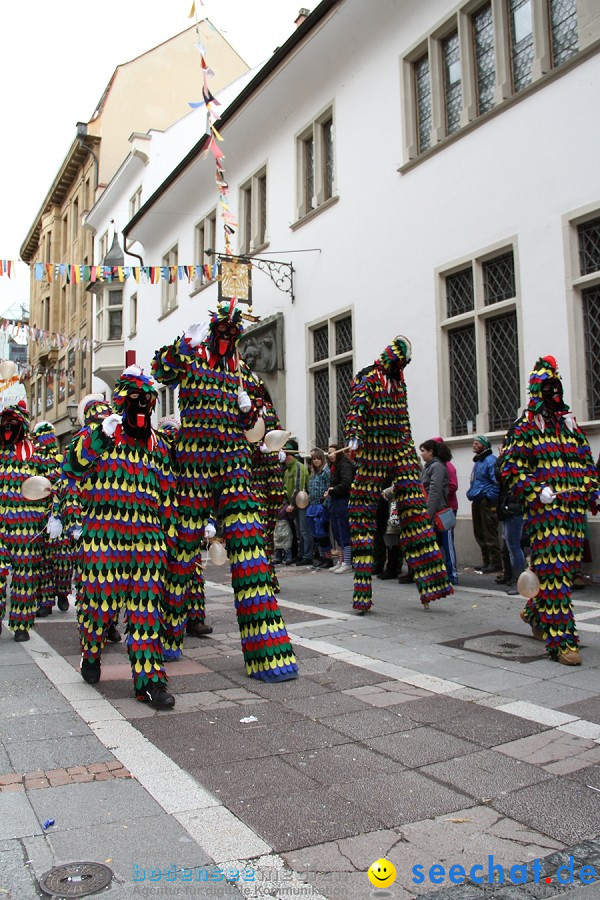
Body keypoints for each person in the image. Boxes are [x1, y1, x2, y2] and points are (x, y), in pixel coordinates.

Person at [152, 303, 297, 682]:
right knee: (183, 550)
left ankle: (268, 651)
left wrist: (250, 411)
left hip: (234, 464)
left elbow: (254, 427)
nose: (227, 340)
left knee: (250, 549)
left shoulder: (241, 372)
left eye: (234, 335)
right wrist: (183, 345)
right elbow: (161, 372)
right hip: (194, 464)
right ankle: (166, 633)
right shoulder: (192, 358)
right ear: (213, 333)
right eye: (223, 334)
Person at [62, 366, 178, 708]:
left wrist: (170, 541)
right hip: (104, 537)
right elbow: (71, 467)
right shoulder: (102, 436)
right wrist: (98, 436)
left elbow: (167, 495)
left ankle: (149, 682)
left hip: (147, 541)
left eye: (148, 401)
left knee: (146, 613)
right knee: (98, 606)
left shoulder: (159, 447)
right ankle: (91, 653)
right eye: (136, 401)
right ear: (122, 403)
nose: (142, 407)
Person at [501, 355, 599, 666]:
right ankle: (562, 641)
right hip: (546, 513)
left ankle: (534, 611)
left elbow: (586, 462)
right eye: (547, 389)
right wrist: (535, 490)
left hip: (573, 512)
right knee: (555, 571)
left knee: (561, 571)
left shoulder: (571, 427)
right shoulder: (525, 427)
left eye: (555, 388)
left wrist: (591, 488)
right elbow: (511, 466)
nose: (553, 395)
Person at [345, 335, 451, 613]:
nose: (401, 367)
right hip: (372, 453)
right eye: (399, 362)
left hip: (399, 450)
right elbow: (357, 410)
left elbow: (403, 420)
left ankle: (431, 583)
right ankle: (362, 591)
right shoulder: (368, 379)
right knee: (361, 513)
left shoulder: (399, 385)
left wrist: (408, 451)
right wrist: (354, 437)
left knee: (415, 510)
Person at [0, 401, 48, 642]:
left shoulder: (36, 456)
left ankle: (21, 624)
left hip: (27, 527)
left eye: (13, 423)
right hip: (0, 524)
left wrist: (52, 516)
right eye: (4, 423)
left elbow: (52, 487)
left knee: (25, 575)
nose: (8, 427)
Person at [495, 435, 526, 596]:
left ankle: (519, 580)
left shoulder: (515, 460)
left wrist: (501, 459)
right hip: (509, 506)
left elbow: (501, 475)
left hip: (514, 507)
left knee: (514, 546)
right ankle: (516, 578)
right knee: (511, 545)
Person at [466, 435, 501, 574]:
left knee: (489, 532)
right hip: (477, 500)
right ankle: (486, 561)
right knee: (479, 532)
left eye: (477, 443)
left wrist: (489, 497)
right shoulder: (478, 462)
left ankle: (495, 562)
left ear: (484, 445)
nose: (474, 445)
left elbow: (497, 482)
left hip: (486, 502)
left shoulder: (490, 461)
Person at [282, 438, 312, 566]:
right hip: (293, 505)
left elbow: (298, 487)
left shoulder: (298, 467)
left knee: (305, 531)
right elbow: (285, 487)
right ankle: (300, 555)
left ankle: (307, 555)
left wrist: (293, 504)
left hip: (301, 504)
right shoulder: (288, 469)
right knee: (299, 531)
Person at [433, 438, 458, 585]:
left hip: (447, 509)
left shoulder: (447, 467)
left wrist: (441, 493)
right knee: (440, 543)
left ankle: (452, 573)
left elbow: (453, 486)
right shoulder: (438, 465)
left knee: (447, 543)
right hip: (440, 509)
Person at [325, 444, 353, 574]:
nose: (330, 455)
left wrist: (333, 490)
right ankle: (341, 560)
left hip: (342, 502)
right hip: (335, 502)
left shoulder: (344, 465)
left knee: (343, 532)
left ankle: (347, 561)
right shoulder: (334, 466)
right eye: (329, 453)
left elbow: (346, 483)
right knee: (337, 532)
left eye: (333, 453)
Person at [307, 448, 333, 568]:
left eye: (318, 458)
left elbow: (329, 487)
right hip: (312, 505)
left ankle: (328, 558)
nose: (316, 461)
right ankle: (322, 557)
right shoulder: (313, 473)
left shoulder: (326, 472)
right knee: (316, 533)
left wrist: (324, 505)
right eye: (314, 459)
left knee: (322, 532)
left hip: (321, 505)